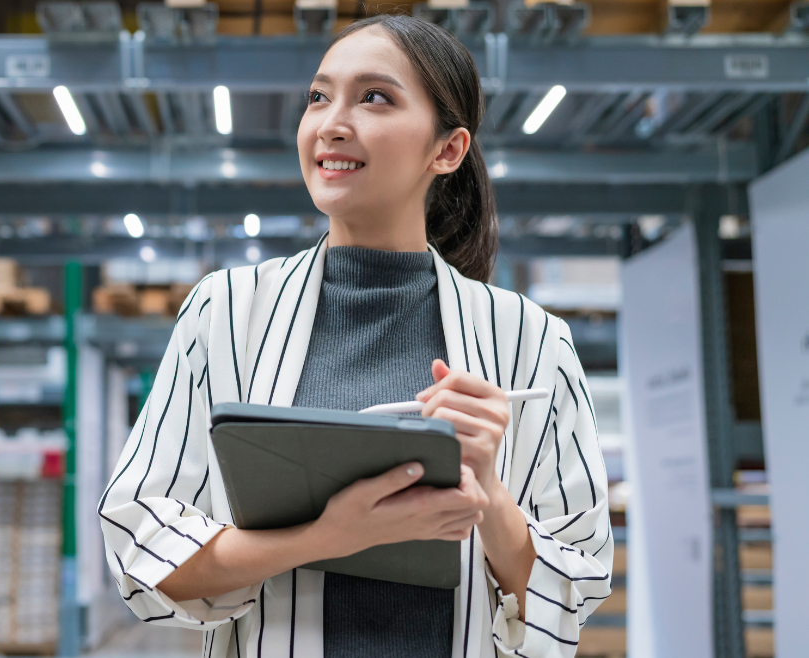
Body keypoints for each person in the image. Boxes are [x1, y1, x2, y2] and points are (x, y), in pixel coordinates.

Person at [98, 14, 611, 658]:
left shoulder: (532, 343)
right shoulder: (225, 312)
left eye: (374, 97)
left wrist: (491, 497)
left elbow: (575, 589)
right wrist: (331, 535)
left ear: (448, 150)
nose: (331, 123)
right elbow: (141, 546)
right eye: (318, 96)